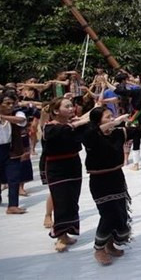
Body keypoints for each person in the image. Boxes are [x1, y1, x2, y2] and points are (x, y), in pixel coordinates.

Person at [82, 107, 136, 266]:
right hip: (100, 181)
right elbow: (89, 135)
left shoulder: (117, 133)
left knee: (120, 214)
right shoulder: (92, 136)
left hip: (117, 178)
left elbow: (138, 130)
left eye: (112, 116)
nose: (112, 119)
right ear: (98, 121)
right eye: (108, 117)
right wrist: (115, 122)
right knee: (108, 215)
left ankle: (110, 244)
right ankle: (99, 249)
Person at [43, 98, 90, 252]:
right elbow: (61, 132)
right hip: (56, 167)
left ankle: (67, 232)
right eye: (67, 106)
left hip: (73, 164)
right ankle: (59, 235)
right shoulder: (50, 127)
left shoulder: (73, 125)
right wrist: (79, 122)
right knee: (61, 200)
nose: (71, 109)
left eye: (72, 106)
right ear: (56, 111)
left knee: (72, 200)